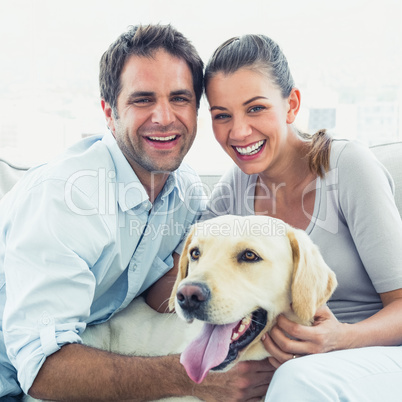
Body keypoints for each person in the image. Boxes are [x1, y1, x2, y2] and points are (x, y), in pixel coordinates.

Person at [0, 25, 272, 401]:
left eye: (179, 98)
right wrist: (190, 376)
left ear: (197, 110)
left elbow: (169, 290)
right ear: (109, 113)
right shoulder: (66, 200)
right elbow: (42, 369)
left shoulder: (187, 193)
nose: (164, 117)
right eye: (143, 100)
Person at [202, 34, 402, 401]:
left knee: (297, 381)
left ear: (291, 105)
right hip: (296, 365)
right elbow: (185, 267)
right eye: (222, 116)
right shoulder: (237, 186)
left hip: (378, 356)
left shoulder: (347, 168)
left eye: (256, 108)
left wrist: (343, 339)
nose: (239, 131)